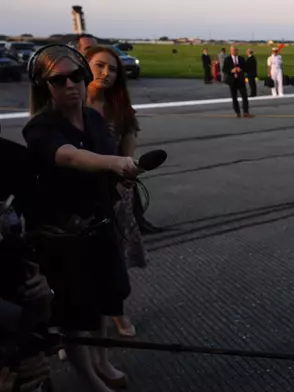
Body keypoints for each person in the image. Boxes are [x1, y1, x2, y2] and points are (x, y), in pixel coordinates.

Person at [22, 44, 139, 392]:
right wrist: (115, 163)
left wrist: (121, 175)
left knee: (106, 302)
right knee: (75, 316)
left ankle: (102, 361)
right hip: (65, 236)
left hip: (101, 225)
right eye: (59, 80)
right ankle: (89, 379)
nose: (70, 84)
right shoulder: (39, 128)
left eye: (76, 76)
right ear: (45, 85)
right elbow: (71, 156)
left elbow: (106, 155)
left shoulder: (93, 117)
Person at [85, 45, 150, 342]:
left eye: (112, 69)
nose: (106, 73)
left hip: (112, 193)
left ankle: (117, 311)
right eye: (99, 66)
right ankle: (75, 324)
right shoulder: (68, 106)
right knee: (76, 262)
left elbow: (128, 152)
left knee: (114, 259)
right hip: (75, 194)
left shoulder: (120, 109)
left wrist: (127, 181)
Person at [222, 45, 252, 118]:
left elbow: (246, 68)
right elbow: (224, 69)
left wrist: (241, 69)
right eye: (233, 50)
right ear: (230, 51)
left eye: (235, 50)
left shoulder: (241, 59)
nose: (234, 51)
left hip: (240, 80)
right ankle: (237, 112)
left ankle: (246, 112)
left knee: (244, 96)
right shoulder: (227, 59)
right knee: (234, 97)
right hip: (232, 81)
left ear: (237, 51)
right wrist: (231, 70)